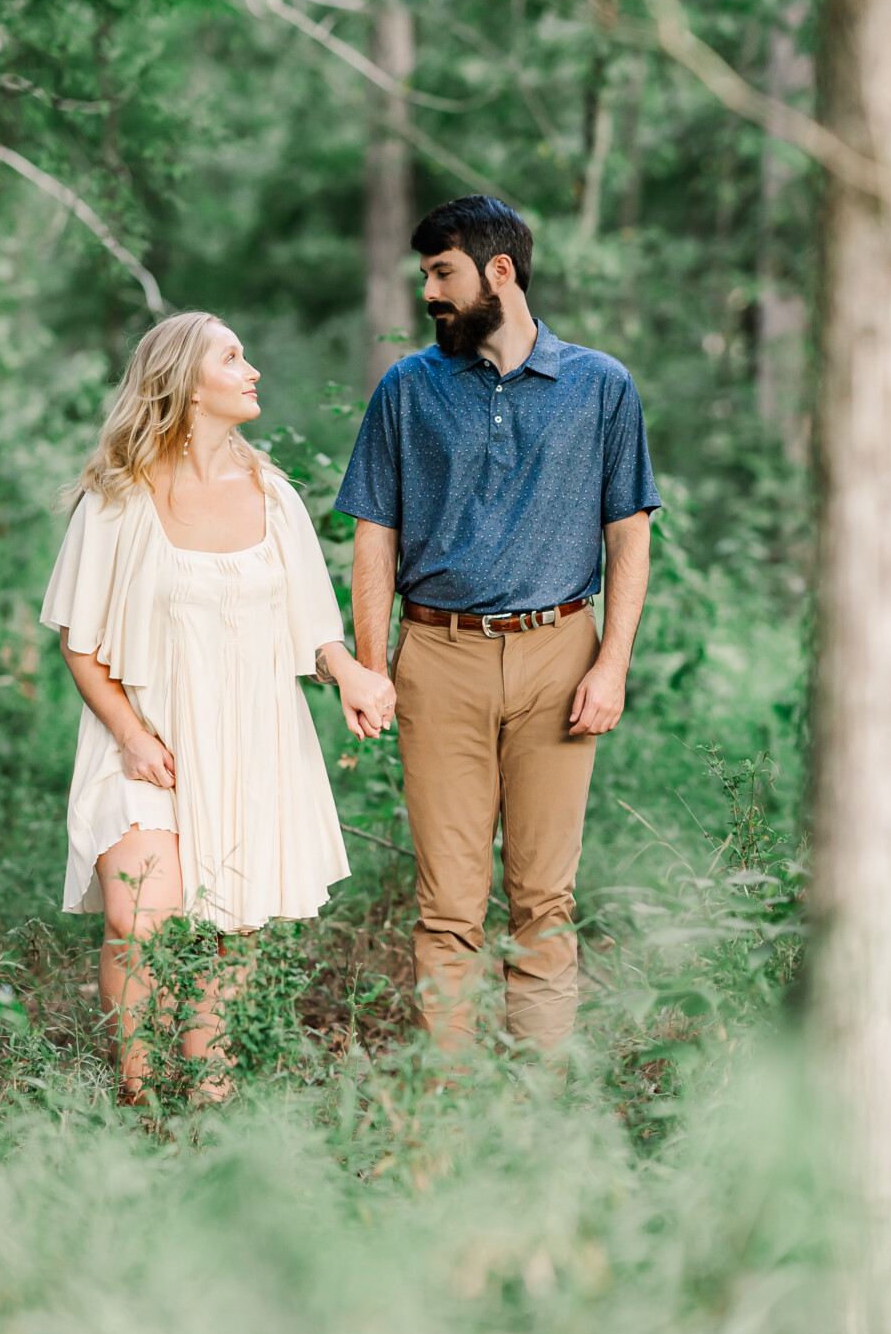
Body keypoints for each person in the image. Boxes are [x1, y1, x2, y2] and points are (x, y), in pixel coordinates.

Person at [41, 311, 396, 1102]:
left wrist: (352, 678)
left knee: (233, 928)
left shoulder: (273, 498)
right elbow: (79, 642)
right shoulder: (118, 497)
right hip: (146, 741)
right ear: (186, 386)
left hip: (249, 741)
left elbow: (315, 631)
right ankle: (138, 1099)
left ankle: (207, 1099)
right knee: (140, 919)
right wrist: (131, 737)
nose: (252, 370)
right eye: (232, 358)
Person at [336, 196, 659, 1055]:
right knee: (445, 908)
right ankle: (445, 1125)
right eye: (424, 278)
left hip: (561, 656)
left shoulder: (600, 385)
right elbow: (374, 540)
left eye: (442, 274)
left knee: (543, 902)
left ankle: (534, 1126)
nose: (430, 294)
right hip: (437, 660)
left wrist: (611, 665)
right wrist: (372, 666)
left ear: (499, 271)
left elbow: (629, 536)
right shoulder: (408, 388)